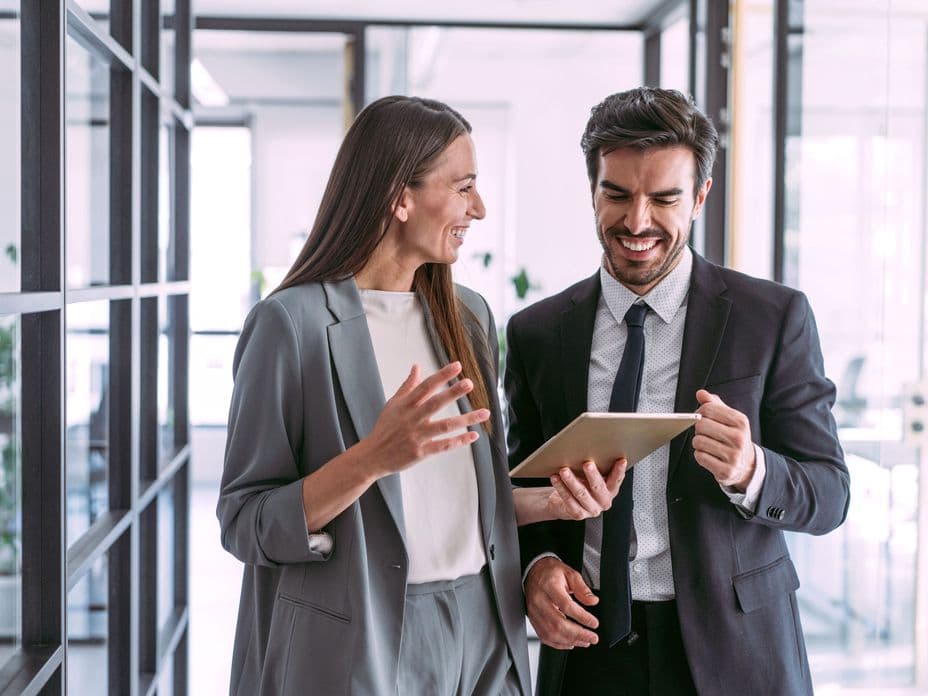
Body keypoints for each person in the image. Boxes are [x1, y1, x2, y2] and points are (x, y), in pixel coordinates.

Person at [217, 95, 626, 696]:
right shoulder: (291, 325)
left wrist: (552, 503)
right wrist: (372, 458)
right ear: (399, 197)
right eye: (463, 187)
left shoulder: (468, 317)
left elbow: (456, 498)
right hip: (365, 637)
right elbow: (245, 522)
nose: (478, 208)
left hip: (484, 629)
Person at [505, 87, 850, 696]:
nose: (637, 222)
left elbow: (830, 493)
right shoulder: (536, 333)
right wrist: (538, 566)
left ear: (700, 196)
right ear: (592, 190)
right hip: (588, 652)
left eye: (664, 199)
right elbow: (521, 488)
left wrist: (752, 470)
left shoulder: (772, 318)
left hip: (736, 654)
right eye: (617, 195)